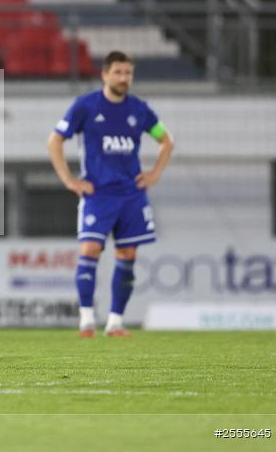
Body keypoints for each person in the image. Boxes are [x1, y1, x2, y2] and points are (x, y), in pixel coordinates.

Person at [47, 51, 174, 338]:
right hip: (98, 194)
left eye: (128, 73)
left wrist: (154, 174)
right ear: (105, 75)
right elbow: (55, 140)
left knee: (127, 254)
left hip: (131, 195)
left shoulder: (140, 110)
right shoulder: (86, 106)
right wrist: (69, 180)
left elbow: (166, 141)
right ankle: (86, 320)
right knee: (90, 249)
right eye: (118, 72)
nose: (123, 78)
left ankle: (115, 322)